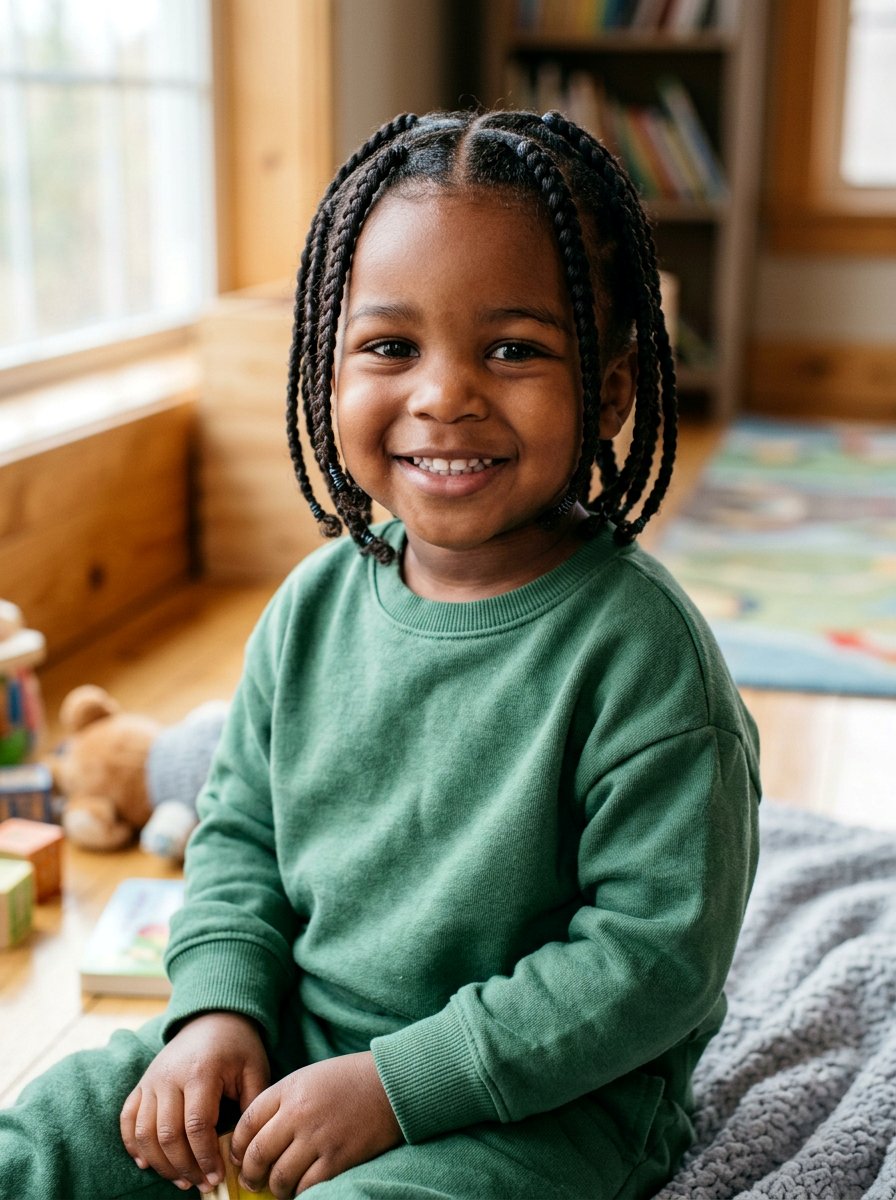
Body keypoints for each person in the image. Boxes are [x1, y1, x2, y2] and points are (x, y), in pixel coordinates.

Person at [0, 109, 760, 1200]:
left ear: (610, 390)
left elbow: (650, 963)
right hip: (298, 1038)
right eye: (390, 347)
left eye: (512, 349)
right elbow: (238, 839)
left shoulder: (644, 660)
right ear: (328, 363)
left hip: (539, 1106)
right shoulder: (310, 608)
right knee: (68, 1123)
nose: (443, 395)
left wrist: (394, 1089)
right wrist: (216, 1010)